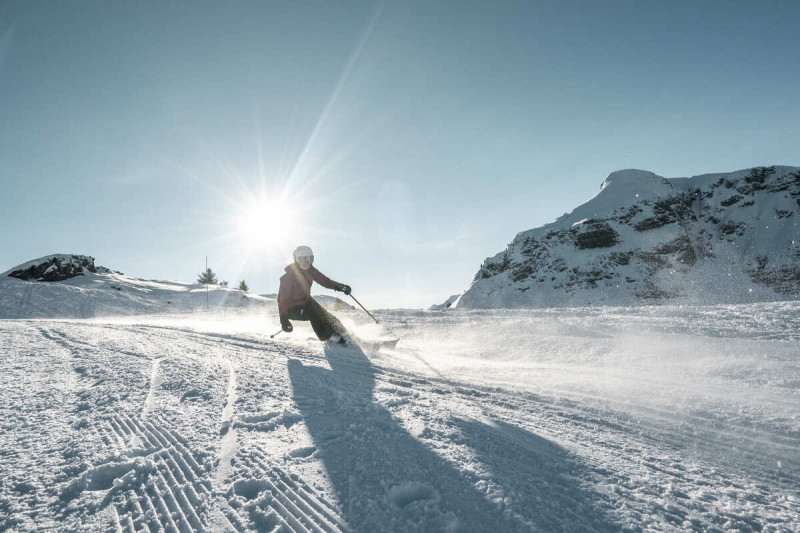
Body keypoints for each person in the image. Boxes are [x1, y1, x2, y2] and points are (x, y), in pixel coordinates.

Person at [278, 245, 352, 344]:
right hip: (292, 309)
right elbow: (282, 300)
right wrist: (284, 320)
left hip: (306, 302)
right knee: (314, 313)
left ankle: (345, 334)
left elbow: (325, 281)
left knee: (327, 316)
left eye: (309, 259)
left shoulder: (311, 271)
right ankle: (329, 337)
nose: (307, 263)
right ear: (296, 260)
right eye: (303, 260)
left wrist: (340, 287)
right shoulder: (288, 278)